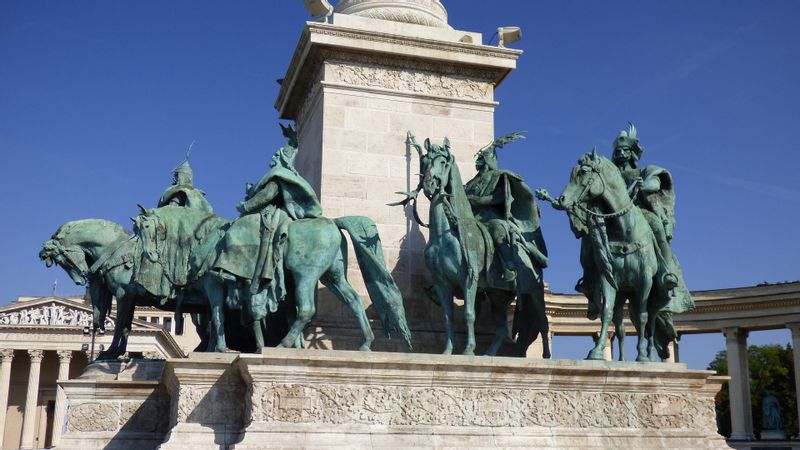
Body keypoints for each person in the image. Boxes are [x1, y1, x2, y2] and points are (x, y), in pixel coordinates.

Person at [215, 124, 322, 321]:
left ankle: (233, 271)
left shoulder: (278, 174)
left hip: (276, 214)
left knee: (237, 230)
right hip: (283, 213)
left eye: (276, 155)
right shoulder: (286, 175)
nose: (272, 158)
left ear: (282, 158)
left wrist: (245, 206)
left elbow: (269, 194)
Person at [463, 132, 547, 283]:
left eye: (482, 159)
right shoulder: (470, 183)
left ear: (490, 160)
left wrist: (479, 201)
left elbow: (502, 197)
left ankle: (509, 266)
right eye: (479, 159)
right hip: (471, 218)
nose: (478, 161)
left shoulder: (499, 176)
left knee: (498, 230)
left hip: (490, 217)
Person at [157, 143, 213, 212]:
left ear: (181, 176)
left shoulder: (178, 191)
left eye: (176, 175)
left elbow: (169, 212)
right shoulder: (198, 195)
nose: (174, 178)